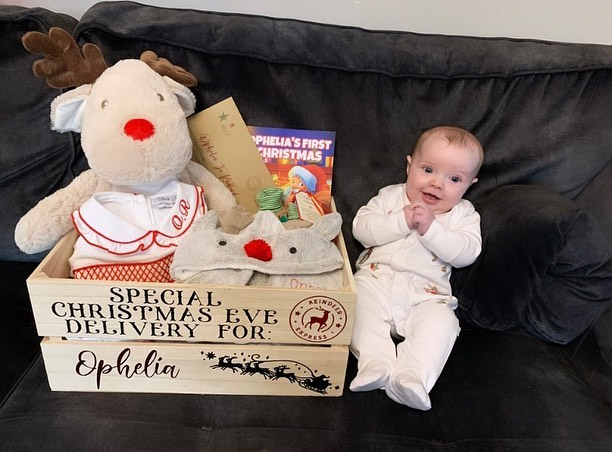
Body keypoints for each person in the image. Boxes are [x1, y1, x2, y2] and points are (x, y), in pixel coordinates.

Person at [349, 125, 484, 410]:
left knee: (444, 323)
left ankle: (412, 378)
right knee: (356, 300)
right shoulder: (389, 197)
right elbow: (362, 229)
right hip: (376, 280)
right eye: (428, 170)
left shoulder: (464, 215)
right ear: (409, 166)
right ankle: (375, 362)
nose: (437, 184)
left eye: (455, 178)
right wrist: (401, 221)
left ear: (470, 184)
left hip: (427, 294)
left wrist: (431, 229)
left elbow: (466, 254)